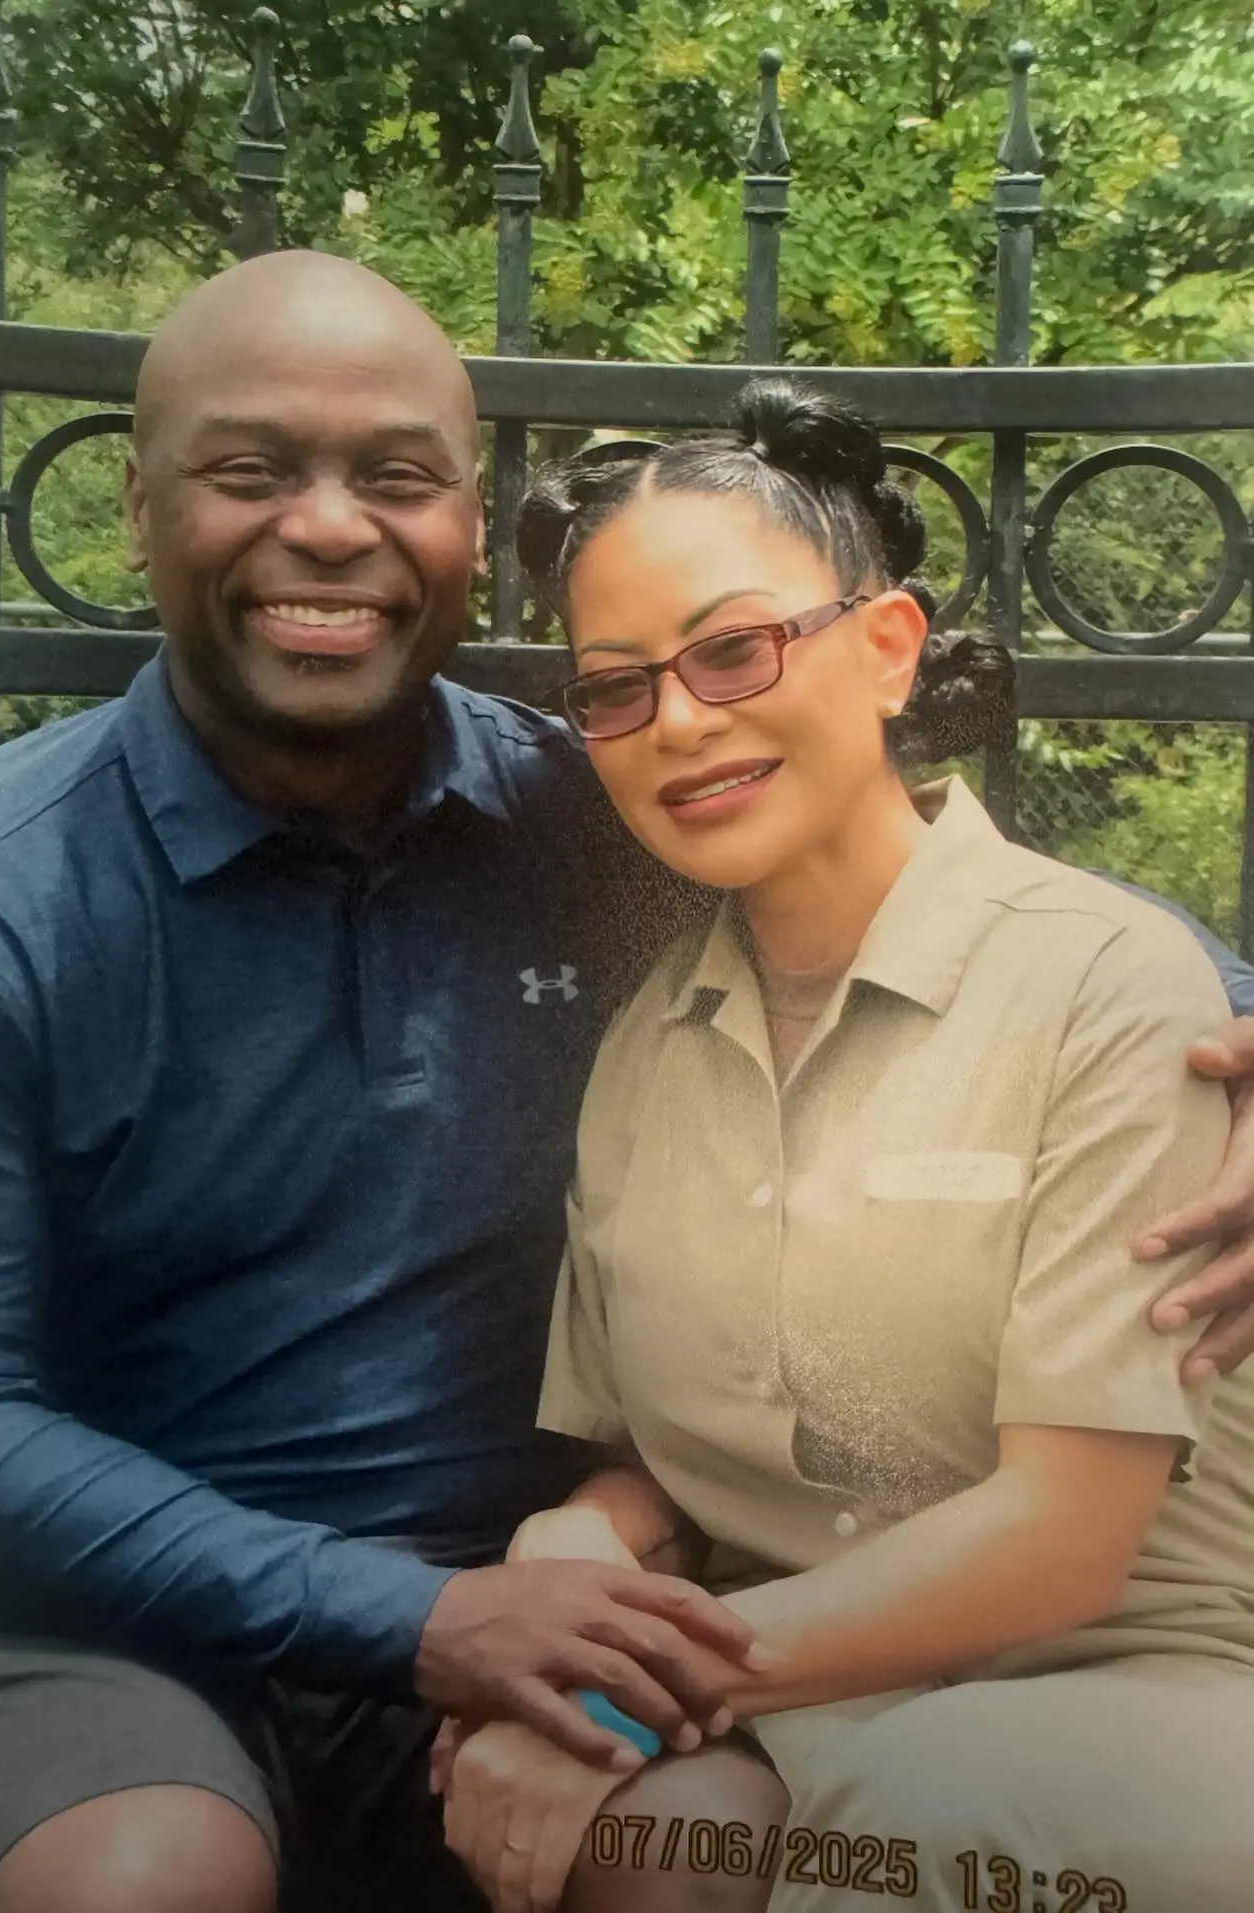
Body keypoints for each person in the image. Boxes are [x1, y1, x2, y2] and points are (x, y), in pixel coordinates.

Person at [0, 251, 1250, 1913]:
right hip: (93, 1646)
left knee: (688, 1864)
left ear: (467, 527)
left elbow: (958, 912)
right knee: (147, 1882)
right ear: (135, 510)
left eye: (398, 478)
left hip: (547, 1601)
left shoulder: (594, 820)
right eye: (248, 471)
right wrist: (422, 1624)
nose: (333, 526)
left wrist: (1229, 1027)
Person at [434, 382, 1254, 1913]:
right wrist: (566, 1568)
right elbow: (642, 1459)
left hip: (1148, 1692)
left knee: (905, 1821)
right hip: (817, 1700)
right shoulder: (644, 1048)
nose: (678, 719)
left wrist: (619, 1699)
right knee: (649, 1851)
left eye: (734, 648)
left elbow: (1063, 1542)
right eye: (616, 688)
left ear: (885, 649)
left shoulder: (1105, 986)